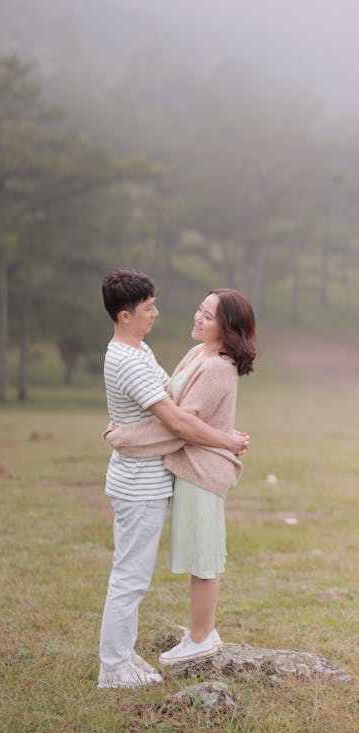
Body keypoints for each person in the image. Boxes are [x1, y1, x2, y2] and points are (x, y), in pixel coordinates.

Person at [98, 270, 250, 689]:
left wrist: (121, 433)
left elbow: (180, 414)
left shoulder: (141, 350)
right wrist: (121, 436)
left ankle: (123, 658)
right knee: (129, 576)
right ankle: (113, 667)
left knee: (135, 574)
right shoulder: (129, 360)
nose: (157, 313)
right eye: (148, 308)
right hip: (138, 484)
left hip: (153, 478)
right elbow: (178, 423)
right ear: (126, 315)